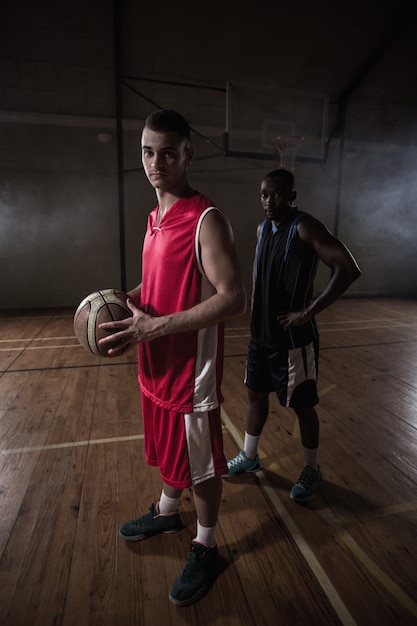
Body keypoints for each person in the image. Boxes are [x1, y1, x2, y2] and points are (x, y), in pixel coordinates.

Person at [98, 109, 246, 606]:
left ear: (188, 154)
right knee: (168, 449)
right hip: (156, 364)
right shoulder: (154, 219)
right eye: (147, 151)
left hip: (191, 373)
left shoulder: (207, 220)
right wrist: (132, 296)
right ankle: (166, 511)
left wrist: (157, 325)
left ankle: (206, 545)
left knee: (200, 466)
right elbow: (163, 284)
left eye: (166, 152)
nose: (154, 161)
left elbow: (232, 298)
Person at [225, 168, 361, 503]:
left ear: (292, 196)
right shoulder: (262, 229)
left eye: (278, 194)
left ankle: (312, 468)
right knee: (256, 398)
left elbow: (348, 267)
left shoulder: (304, 227)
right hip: (261, 337)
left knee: (303, 407)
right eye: (264, 194)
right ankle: (250, 455)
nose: (269, 201)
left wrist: (309, 311)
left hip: (292, 341)